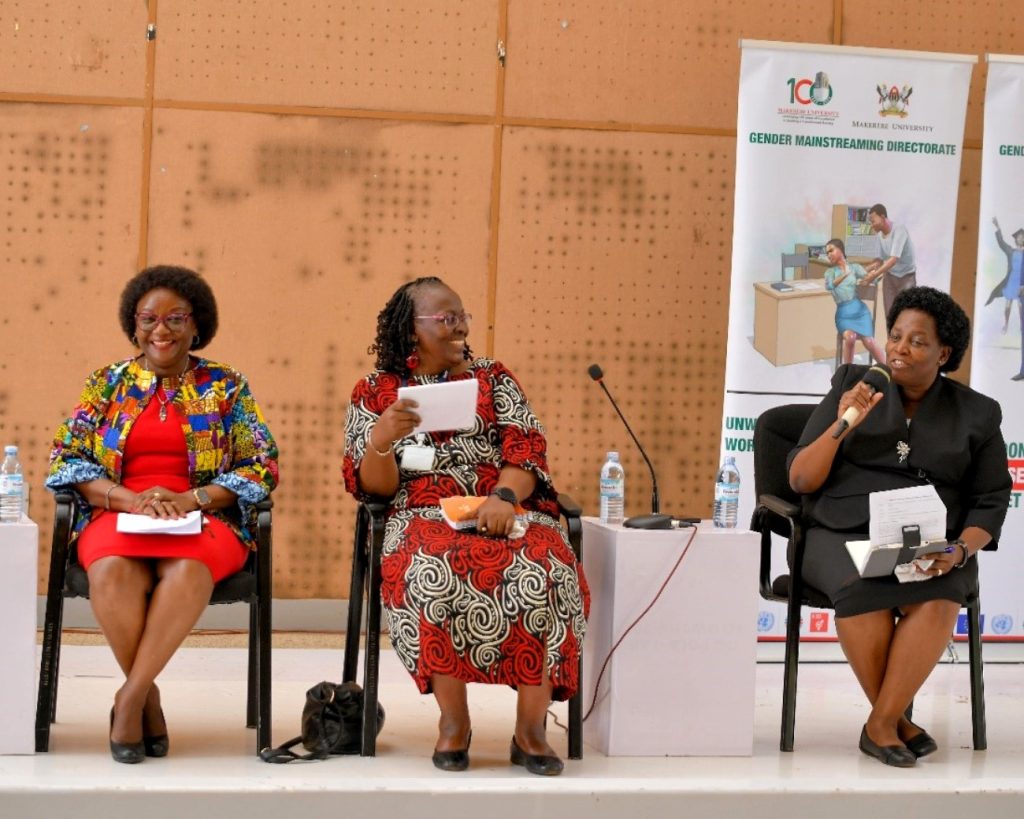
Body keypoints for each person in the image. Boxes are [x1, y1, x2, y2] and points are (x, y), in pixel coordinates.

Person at [343, 276, 589, 776]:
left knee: (548, 569)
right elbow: (375, 488)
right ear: (411, 330)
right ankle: (454, 723)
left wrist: (502, 497)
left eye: (461, 317)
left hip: (505, 503)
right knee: (428, 567)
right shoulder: (376, 390)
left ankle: (531, 729)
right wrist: (382, 438)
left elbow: (526, 449)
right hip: (420, 512)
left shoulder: (493, 378)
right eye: (445, 318)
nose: (459, 327)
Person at [45, 265, 279, 764]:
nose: (161, 329)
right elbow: (65, 459)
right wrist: (129, 499)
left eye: (176, 318)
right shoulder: (107, 383)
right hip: (119, 510)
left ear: (197, 325)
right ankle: (147, 698)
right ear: (133, 325)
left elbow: (262, 464)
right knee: (109, 572)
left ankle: (127, 700)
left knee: (188, 571)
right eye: (149, 318)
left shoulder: (226, 385)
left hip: (205, 516)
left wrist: (193, 500)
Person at [788, 286, 1010, 768]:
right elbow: (802, 478)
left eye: (916, 341)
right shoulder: (854, 381)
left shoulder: (978, 413)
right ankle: (895, 723)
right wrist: (845, 421)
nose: (899, 349)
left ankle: (880, 723)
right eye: (895, 336)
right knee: (861, 590)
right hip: (837, 532)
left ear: (943, 353)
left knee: (944, 589)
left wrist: (960, 551)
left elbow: (991, 500)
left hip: (923, 541)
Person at [823, 238, 886, 367]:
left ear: (840, 250)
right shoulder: (830, 272)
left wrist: (875, 273)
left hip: (860, 312)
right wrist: (844, 275)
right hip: (843, 314)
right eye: (827, 253)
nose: (829, 255)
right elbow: (829, 286)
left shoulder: (854, 267)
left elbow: (870, 280)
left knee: (869, 341)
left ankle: (889, 370)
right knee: (850, 338)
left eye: (831, 251)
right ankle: (848, 371)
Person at [864, 203, 917, 317]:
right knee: (890, 314)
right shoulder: (879, 236)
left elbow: (893, 259)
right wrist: (868, 269)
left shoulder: (899, 229)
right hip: (890, 277)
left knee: (905, 315)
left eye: (873, 221)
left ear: (883, 217)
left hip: (906, 277)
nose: (872, 225)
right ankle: (891, 335)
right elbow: (879, 259)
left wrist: (875, 275)